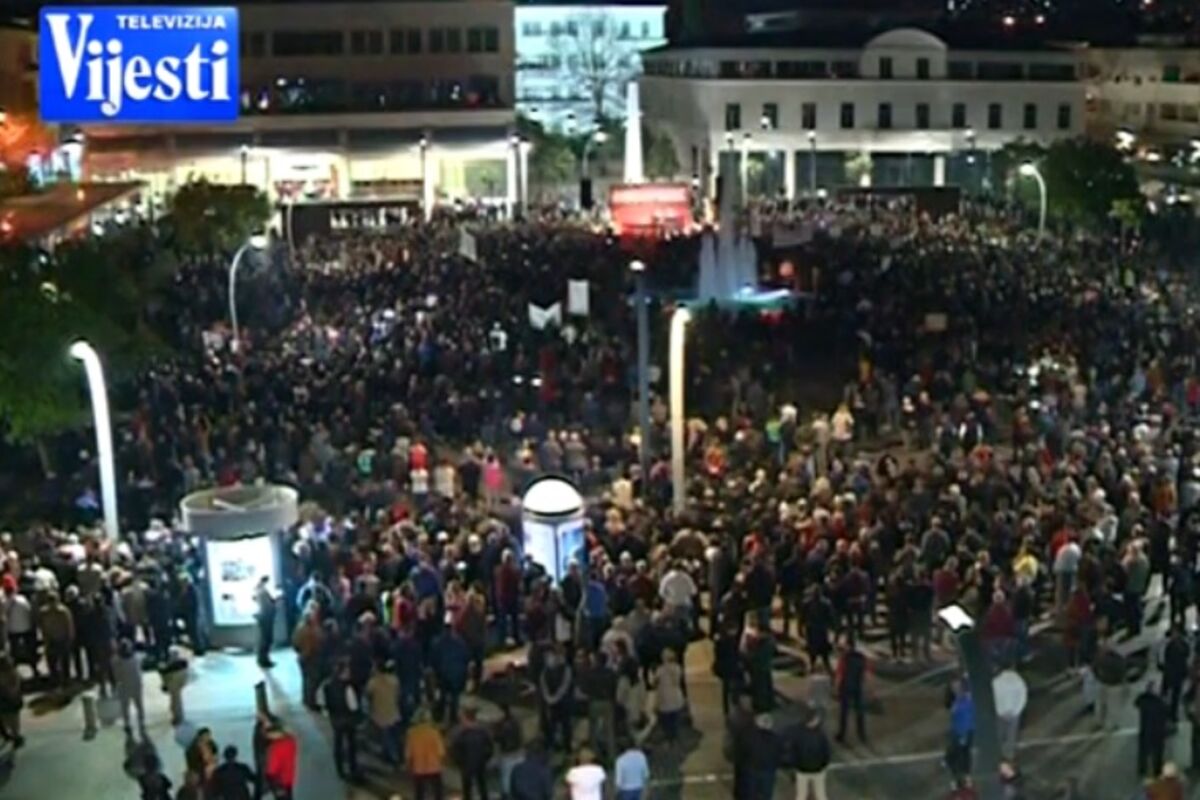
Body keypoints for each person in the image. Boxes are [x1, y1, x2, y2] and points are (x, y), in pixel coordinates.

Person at [322, 660, 363, 781]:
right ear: (342, 672)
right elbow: (353, 706)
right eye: (347, 671)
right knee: (351, 744)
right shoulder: (348, 687)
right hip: (348, 719)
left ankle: (339, 769)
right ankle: (352, 768)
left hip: (335, 719)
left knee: (338, 743)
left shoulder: (327, 685)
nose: (349, 673)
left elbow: (323, 703)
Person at [449, 707, 495, 800]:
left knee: (467, 789)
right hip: (480, 764)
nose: (461, 721)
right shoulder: (483, 732)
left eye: (463, 719)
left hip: (466, 766)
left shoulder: (461, 735)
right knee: (482, 786)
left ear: (467, 719)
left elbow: (455, 750)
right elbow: (490, 748)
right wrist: (485, 759)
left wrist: (459, 762)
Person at [366, 660, 402, 766]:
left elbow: (367, 695)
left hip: (380, 715)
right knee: (395, 736)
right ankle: (396, 755)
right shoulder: (394, 680)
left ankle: (393, 758)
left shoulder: (373, 683)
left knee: (387, 738)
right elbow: (398, 695)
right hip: (394, 712)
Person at [789, 709, 831, 800]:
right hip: (818, 770)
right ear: (813, 720)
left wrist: (795, 766)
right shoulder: (821, 734)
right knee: (821, 795)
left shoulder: (798, 733)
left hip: (802, 770)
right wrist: (824, 765)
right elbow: (826, 752)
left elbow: (793, 752)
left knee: (801, 795)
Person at [538, 645, 574, 753]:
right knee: (554, 725)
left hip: (561, 702)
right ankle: (556, 745)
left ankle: (565, 746)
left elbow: (565, 684)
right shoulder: (546, 671)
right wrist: (551, 698)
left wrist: (551, 698)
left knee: (563, 725)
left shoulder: (564, 669)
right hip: (557, 702)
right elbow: (544, 685)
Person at [406, 708, 446, 800]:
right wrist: (442, 763)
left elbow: (408, 753)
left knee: (419, 793)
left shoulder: (412, 733)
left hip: (418, 767)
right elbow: (441, 752)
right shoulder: (434, 733)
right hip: (434, 766)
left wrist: (409, 765)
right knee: (438, 792)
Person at [834, 637, 868, 744]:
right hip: (857, 686)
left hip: (846, 687)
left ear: (848, 646)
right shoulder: (861, 657)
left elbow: (839, 675)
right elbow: (865, 673)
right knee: (859, 711)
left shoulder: (844, 658)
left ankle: (842, 734)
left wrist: (836, 688)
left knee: (844, 712)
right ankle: (861, 733)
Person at [992, 665, 1028, 761]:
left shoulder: (996, 682)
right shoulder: (1015, 679)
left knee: (1002, 736)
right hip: (1010, 713)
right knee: (1009, 737)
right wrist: (1016, 711)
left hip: (1004, 713)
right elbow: (1022, 695)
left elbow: (994, 699)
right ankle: (1007, 758)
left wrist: (1001, 712)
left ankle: (1003, 758)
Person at [112, 637, 146, 735]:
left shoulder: (116, 661)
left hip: (124, 686)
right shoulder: (137, 658)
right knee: (139, 705)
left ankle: (127, 724)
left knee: (125, 707)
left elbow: (116, 675)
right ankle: (141, 722)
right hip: (136, 685)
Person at [1136, 681, 1169, 778]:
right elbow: (1167, 712)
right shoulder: (1160, 702)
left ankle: (1143, 769)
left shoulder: (1143, 700)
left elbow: (1136, 703)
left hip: (1146, 730)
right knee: (1157, 752)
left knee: (1144, 751)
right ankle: (1157, 770)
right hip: (1158, 730)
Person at [655, 648, 687, 745]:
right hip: (676, 696)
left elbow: (655, 682)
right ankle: (675, 736)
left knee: (666, 719)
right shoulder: (677, 668)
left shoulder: (660, 670)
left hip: (664, 697)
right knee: (675, 718)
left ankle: (669, 737)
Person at [747, 713, 782, 800]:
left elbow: (745, 752)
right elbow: (779, 754)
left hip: (753, 769)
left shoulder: (750, 737)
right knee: (767, 794)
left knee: (752, 794)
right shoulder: (776, 738)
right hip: (768, 771)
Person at [263, 720, 298, 800]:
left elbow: (272, 769)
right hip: (289, 778)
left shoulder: (276, 747)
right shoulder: (291, 741)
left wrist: (270, 779)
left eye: (269, 735)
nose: (269, 737)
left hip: (279, 781)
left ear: (275, 733)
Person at [159, 647, 189, 726]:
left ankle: (178, 718)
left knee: (175, 702)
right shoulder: (183, 665)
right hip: (177, 684)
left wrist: (165, 684)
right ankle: (178, 717)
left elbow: (165, 675)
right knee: (176, 701)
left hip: (174, 684)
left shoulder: (168, 668)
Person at [0, 654, 23, 748]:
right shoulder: (13, 672)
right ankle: (14, 735)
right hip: (8, 699)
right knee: (12, 718)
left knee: (10, 717)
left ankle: (14, 735)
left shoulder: (12, 673)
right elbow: (16, 685)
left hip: (8, 699)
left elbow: (16, 684)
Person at [254, 576, 278, 669]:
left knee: (264, 639)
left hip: (263, 617)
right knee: (266, 639)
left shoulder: (259, 590)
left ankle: (262, 659)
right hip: (266, 617)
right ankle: (264, 660)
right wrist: (275, 601)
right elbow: (268, 604)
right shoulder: (263, 591)